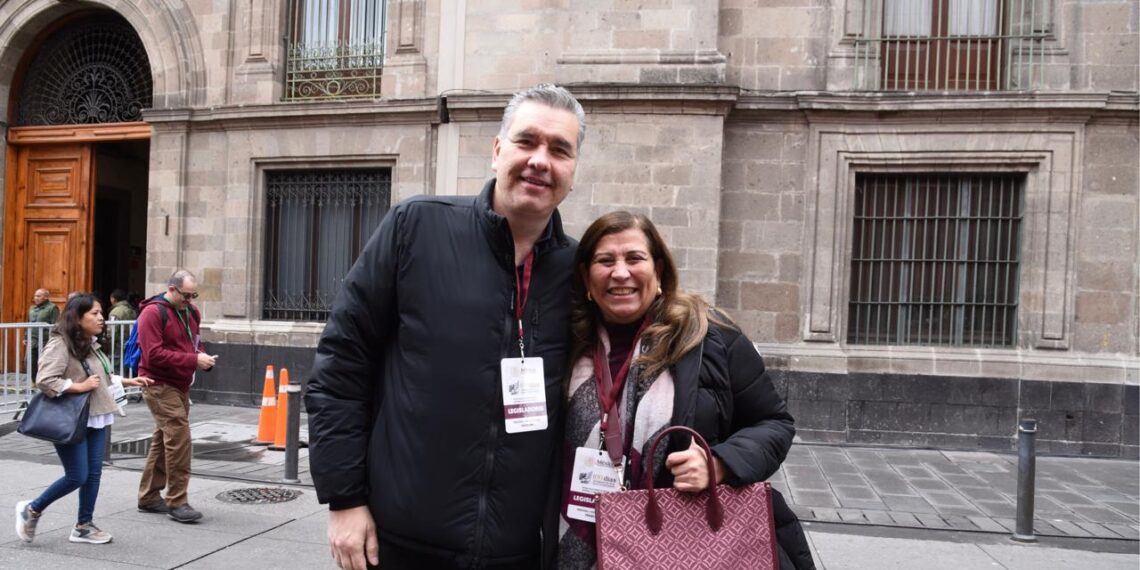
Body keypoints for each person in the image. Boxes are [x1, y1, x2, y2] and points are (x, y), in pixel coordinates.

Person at [305, 84, 586, 570]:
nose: (541, 160)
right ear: (497, 151)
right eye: (527, 142)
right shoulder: (416, 228)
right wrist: (344, 500)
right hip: (399, 543)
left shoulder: (581, 271)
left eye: (559, 149)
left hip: (517, 551)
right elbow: (340, 367)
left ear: (573, 170)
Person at [557, 211, 815, 570]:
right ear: (586, 276)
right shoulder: (564, 345)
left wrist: (720, 464)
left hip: (682, 546)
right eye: (605, 260)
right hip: (575, 538)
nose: (620, 273)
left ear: (659, 271)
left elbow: (774, 423)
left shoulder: (709, 338)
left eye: (634, 258)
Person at [15, 294, 152, 545]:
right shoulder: (60, 344)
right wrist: (78, 387)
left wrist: (128, 381)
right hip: (72, 418)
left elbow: (99, 376)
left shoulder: (90, 344)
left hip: (96, 415)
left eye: (101, 313)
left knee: (93, 474)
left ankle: (83, 526)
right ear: (78, 318)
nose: (101, 318)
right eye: (95, 314)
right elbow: (45, 380)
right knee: (77, 475)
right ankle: (32, 509)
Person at [135, 270, 216, 524]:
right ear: (171, 289)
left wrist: (202, 358)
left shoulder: (191, 312)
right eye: (186, 295)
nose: (190, 300)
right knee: (179, 438)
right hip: (157, 383)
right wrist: (194, 359)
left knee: (164, 438)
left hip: (180, 384)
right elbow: (153, 355)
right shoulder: (152, 312)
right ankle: (177, 501)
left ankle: (148, 496)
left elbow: (195, 342)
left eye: (194, 295)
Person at [27, 288, 60, 379]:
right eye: (35, 296)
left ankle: (43, 380)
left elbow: (55, 324)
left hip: (45, 339)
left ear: (45, 297)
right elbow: (28, 322)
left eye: (38, 296)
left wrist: (54, 339)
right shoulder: (32, 308)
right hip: (32, 339)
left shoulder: (52, 308)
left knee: (44, 361)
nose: (35, 298)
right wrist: (25, 337)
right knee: (30, 360)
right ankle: (33, 380)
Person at [106, 289, 138, 372]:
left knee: (117, 373)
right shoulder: (132, 310)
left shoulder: (115, 312)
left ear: (113, 299)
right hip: (129, 347)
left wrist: (107, 347)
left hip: (117, 350)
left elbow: (112, 332)